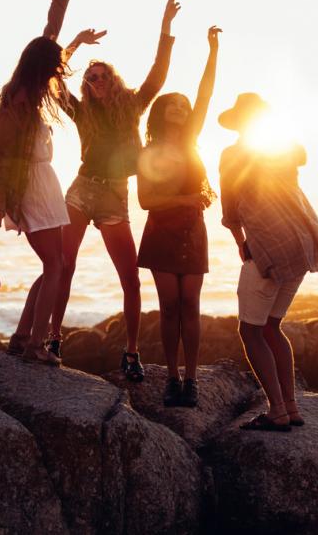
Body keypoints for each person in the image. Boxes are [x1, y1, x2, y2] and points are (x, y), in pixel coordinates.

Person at [49, 0, 181, 382]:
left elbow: (158, 72)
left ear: (113, 79)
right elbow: (55, 81)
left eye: (103, 75)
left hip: (114, 197)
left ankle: (131, 353)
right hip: (81, 190)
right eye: (91, 78)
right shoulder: (80, 112)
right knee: (64, 265)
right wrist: (73, 44)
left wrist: (165, 28)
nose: (97, 81)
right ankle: (53, 339)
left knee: (130, 278)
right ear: (87, 85)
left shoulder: (134, 106)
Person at [218, 92, 318, 431]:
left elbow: (230, 209)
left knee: (250, 331)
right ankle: (292, 407)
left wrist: (242, 243)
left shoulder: (233, 154)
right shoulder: (283, 149)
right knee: (272, 327)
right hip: (302, 245)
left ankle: (277, 411)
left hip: (270, 246)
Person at [0, 0, 74, 365]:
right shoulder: (22, 96)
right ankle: (35, 344)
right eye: (53, 65)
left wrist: (59, 7)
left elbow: (48, 40)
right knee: (56, 265)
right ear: (41, 67)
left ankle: (23, 337)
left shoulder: (27, 90)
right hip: (32, 187)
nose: (59, 69)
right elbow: (1, 150)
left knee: (56, 264)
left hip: (43, 184)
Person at [136, 26, 221, 406]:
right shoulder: (148, 152)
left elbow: (205, 94)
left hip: (192, 231)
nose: (182, 110)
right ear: (161, 113)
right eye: (175, 106)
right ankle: (171, 377)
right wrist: (186, 199)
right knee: (170, 305)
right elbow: (145, 201)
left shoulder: (190, 142)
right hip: (162, 232)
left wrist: (212, 51)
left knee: (191, 304)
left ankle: (192, 379)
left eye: (184, 108)